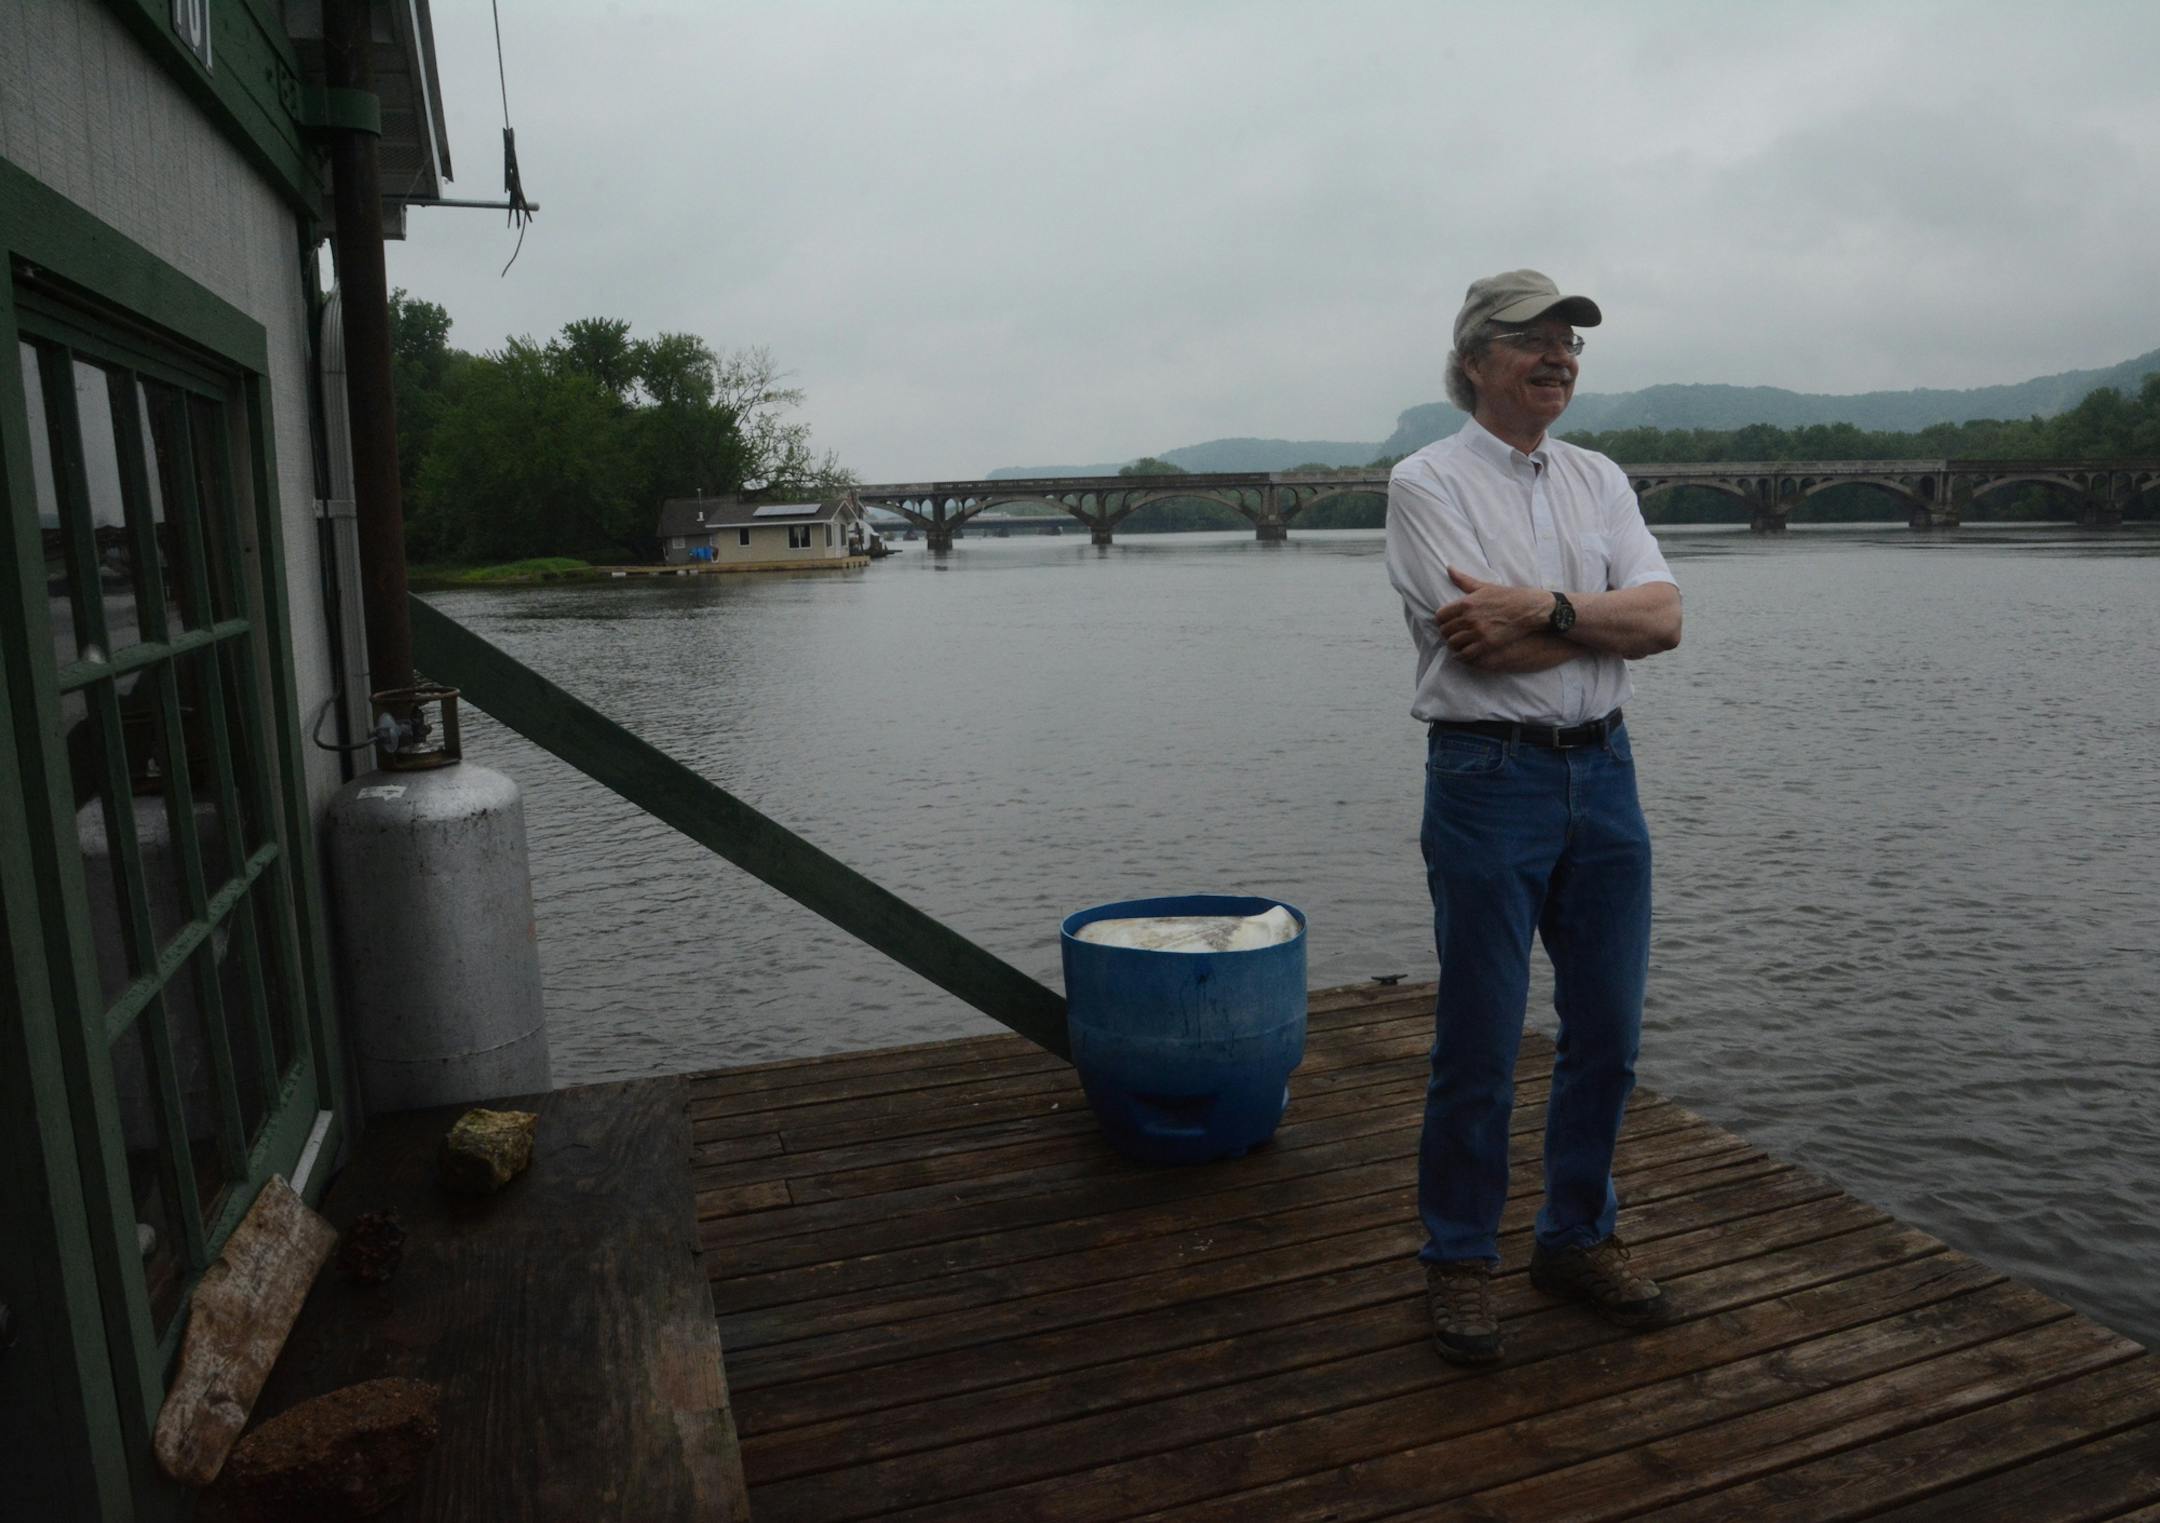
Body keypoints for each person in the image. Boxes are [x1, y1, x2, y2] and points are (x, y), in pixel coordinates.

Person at [1383, 269, 1684, 1366]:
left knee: (1607, 1028)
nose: (1558, 356)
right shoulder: (1426, 482)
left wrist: (1550, 608)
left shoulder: (1599, 478)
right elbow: (1480, 641)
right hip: (1487, 776)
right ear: (1474, 360)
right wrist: (1606, 624)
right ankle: (1460, 1257)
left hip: (1605, 775)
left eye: (1570, 342)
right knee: (1480, 1034)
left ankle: (1574, 1235)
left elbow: (1668, 619)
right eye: (1532, 341)